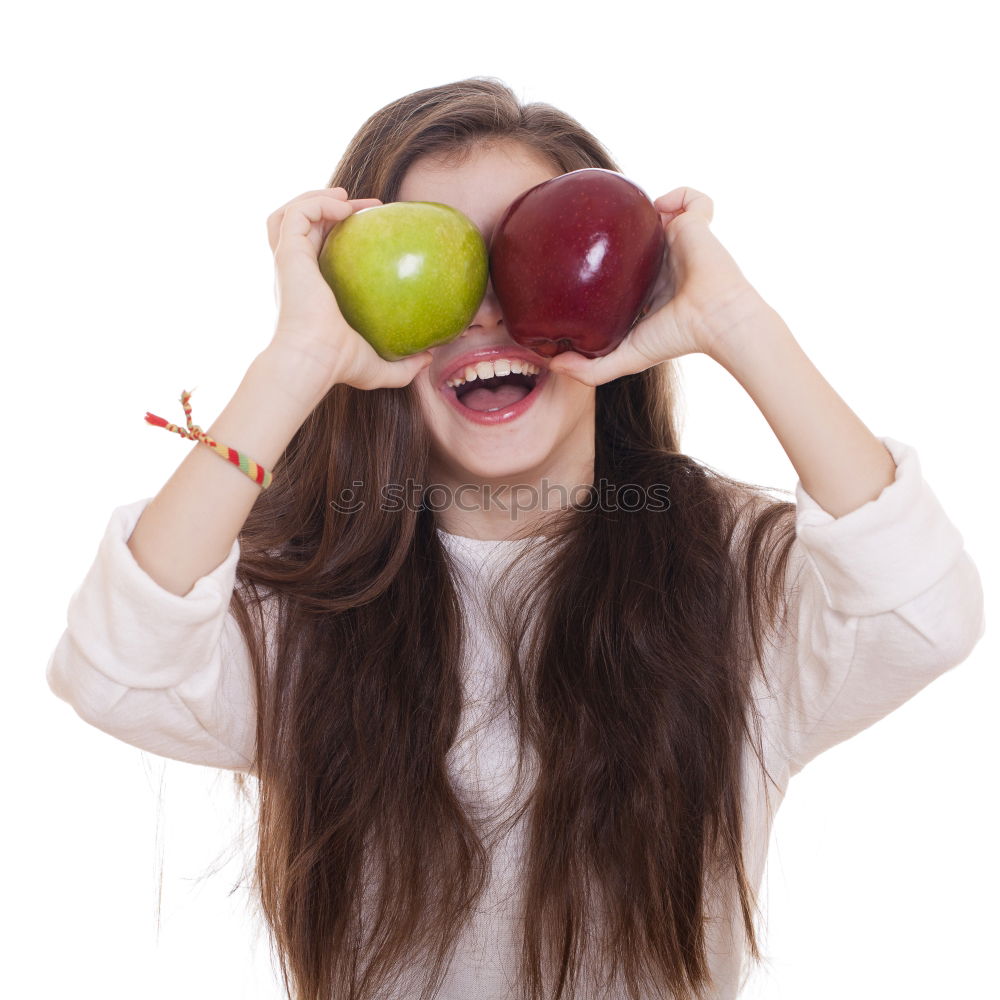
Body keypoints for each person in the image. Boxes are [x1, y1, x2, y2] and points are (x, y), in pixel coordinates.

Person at [45, 76, 985, 1000]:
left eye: (527, 251)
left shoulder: (734, 581)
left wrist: (735, 321)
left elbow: (923, 616)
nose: (489, 310)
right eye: (447, 264)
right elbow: (115, 671)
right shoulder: (308, 606)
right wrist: (295, 363)